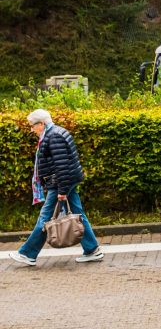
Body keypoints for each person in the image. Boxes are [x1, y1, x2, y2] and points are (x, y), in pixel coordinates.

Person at [10, 109, 102, 267]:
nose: (31, 129)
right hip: (66, 180)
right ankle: (92, 249)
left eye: (32, 126)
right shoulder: (56, 132)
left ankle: (27, 253)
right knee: (78, 213)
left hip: (59, 182)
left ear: (42, 124)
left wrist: (61, 191)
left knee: (45, 217)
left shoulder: (53, 137)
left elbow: (62, 166)